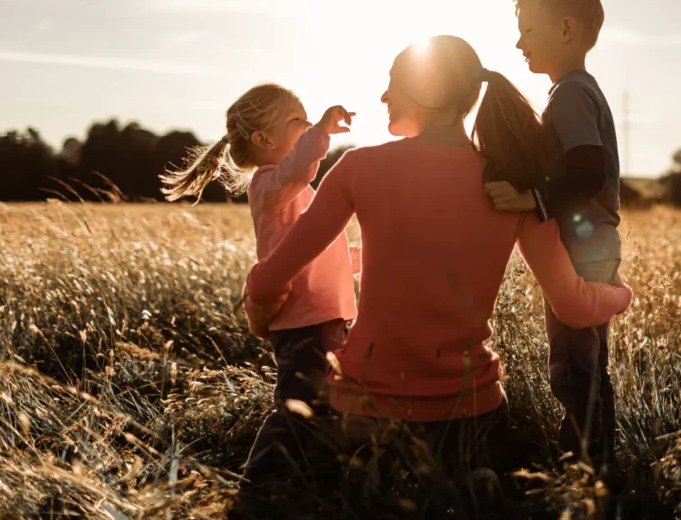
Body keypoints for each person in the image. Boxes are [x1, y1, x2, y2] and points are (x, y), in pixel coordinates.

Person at [243, 36, 632, 474]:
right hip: (472, 421)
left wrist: (260, 316)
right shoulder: (513, 188)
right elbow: (575, 307)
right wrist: (621, 294)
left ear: (426, 90)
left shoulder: (357, 168)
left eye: (393, 84)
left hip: (361, 420)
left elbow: (267, 279)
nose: (384, 96)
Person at [159, 83, 359, 513]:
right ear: (264, 140)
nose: (307, 127)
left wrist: (370, 256)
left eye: (308, 121)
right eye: (298, 121)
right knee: (295, 411)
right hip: (303, 321)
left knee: (326, 411)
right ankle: (256, 489)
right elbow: (299, 169)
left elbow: (325, 251)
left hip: (326, 318)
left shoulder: (293, 191)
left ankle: (318, 484)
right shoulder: (270, 185)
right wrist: (322, 130)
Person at [485, 0, 621, 467]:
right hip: (596, 244)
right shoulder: (579, 90)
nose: (519, 43)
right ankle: (598, 461)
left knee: (573, 367)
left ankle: (583, 467)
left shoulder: (568, 95)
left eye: (527, 31)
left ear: (565, 29)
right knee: (589, 364)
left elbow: (590, 171)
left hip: (584, 248)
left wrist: (530, 198)